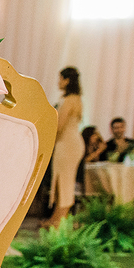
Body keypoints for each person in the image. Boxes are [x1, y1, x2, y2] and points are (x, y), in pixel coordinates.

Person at [43, 67, 84, 227]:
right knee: (61, 180)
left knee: (65, 181)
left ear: (67, 80)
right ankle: (56, 217)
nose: (58, 82)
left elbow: (59, 125)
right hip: (69, 143)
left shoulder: (70, 100)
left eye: (60, 79)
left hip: (68, 144)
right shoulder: (74, 98)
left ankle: (60, 220)